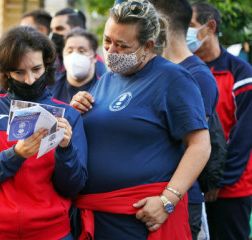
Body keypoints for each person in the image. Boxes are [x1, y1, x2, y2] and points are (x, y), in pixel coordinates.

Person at [70, 0, 211, 239]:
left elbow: (200, 145)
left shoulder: (172, 78)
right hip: (98, 214)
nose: (111, 51)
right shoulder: (106, 79)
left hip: (142, 218)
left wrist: (168, 200)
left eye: (122, 45)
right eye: (107, 41)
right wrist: (78, 109)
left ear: (147, 45)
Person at [0, 26, 87, 240]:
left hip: (51, 232)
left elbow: (73, 188)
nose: (29, 80)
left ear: (47, 65)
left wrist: (66, 150)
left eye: (36, 69)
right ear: (6, 72)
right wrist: (16, 154)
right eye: (19, 72)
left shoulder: (68, 115)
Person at [148, 0, 220, 239]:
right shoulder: (153, 68)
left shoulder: (198, 76)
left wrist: (168, 199)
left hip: (178, 200)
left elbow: (196, 146)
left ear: (160, 25)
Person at [189, 2, 252, 239]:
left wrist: (219, 180)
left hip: (231, 188)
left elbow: (244, 135)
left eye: (191, 26)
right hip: (189, 187)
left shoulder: (239, 72)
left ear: (210, 27)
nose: (184, 33)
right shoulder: (183, 70)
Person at [50, 28, 105, 103]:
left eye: (81, 51)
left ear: (94, 57)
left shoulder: (104, 90)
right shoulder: (50, 88)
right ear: (63, 54)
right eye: (69, 51)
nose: (74, 55)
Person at [50, 8, 107, 78]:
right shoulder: (55, 58)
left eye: (59, 29)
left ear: (77, 30)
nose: (53, 34)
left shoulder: (94, 62)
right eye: (52, 30)